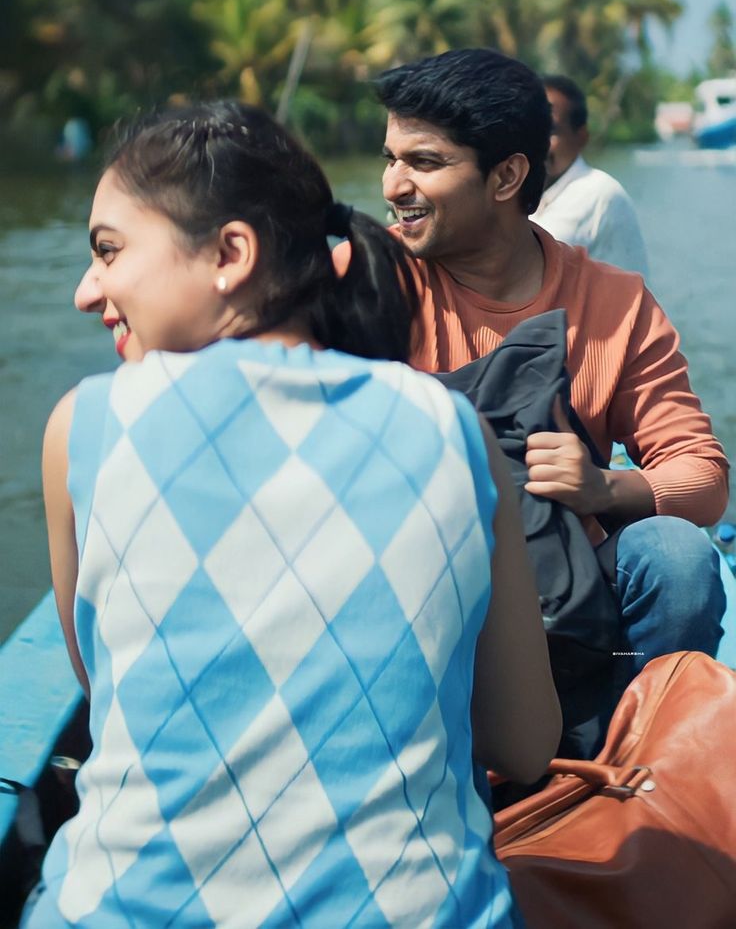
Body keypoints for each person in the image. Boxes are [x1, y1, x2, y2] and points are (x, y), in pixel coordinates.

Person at [28, 101, 560, 929]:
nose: (85, 289)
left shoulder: (88, 425)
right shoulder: (453, 429)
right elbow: (525, 745)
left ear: (230, 255)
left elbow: (107, 691)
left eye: (109, 251)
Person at [377, 49, 729, 689]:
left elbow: (703, 479)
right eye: (390, 159)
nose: (393, 186)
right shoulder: (367, 280)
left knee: (679, 559)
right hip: (415, 588)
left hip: (568, 602)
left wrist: (603, 488)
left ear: (507, 177)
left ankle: (635, 744)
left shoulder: (614, 301)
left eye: (424, 162)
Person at [530, 74, 649, 276]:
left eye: (550, 131)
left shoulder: (596, 190)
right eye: (529, 129)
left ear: (582, 137)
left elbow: (525, 264)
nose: (536, 143)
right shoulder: (533, 194)